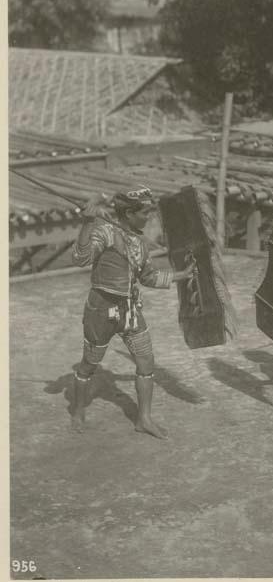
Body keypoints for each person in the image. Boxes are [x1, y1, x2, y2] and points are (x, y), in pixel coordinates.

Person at [70, 187, 194, 438]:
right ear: (128, 212)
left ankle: (144, 419)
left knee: (146, 362)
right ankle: (78, 409)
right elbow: (80, 259)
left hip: (129, 310)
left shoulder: (137, 239)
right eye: (145, 212)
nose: (148, 217)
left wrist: (181, 275)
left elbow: (147, 276)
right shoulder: (105, 232)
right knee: (89, 365)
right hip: (101, 311)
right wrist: (86, 224)